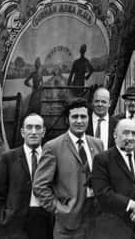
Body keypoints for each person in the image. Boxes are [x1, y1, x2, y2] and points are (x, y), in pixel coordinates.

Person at [33, 98, 104, 239]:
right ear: (67, 120)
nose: (79, 121)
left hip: (95, 220)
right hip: (68, 225)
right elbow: (39, 186)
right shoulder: (53, 147)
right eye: (75, 117)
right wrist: (59, 209)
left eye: (83, 116)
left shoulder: (97, 144)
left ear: (89, 118)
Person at [91, 119, 135, 239]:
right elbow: (102, 193)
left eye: (134, 133)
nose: (130, 137)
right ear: (115, 135)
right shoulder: (102, 160)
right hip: (112, 229)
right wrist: (133, 205)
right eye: (126, 133)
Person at [0, 113, 53, 239]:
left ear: (43, 132)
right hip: (15, 223)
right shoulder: (8, 158)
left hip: (45, 219)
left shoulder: (51, 157)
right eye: (29, 127)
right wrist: (4, 218)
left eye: (38, 128)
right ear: (22, 132)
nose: (33, 132)